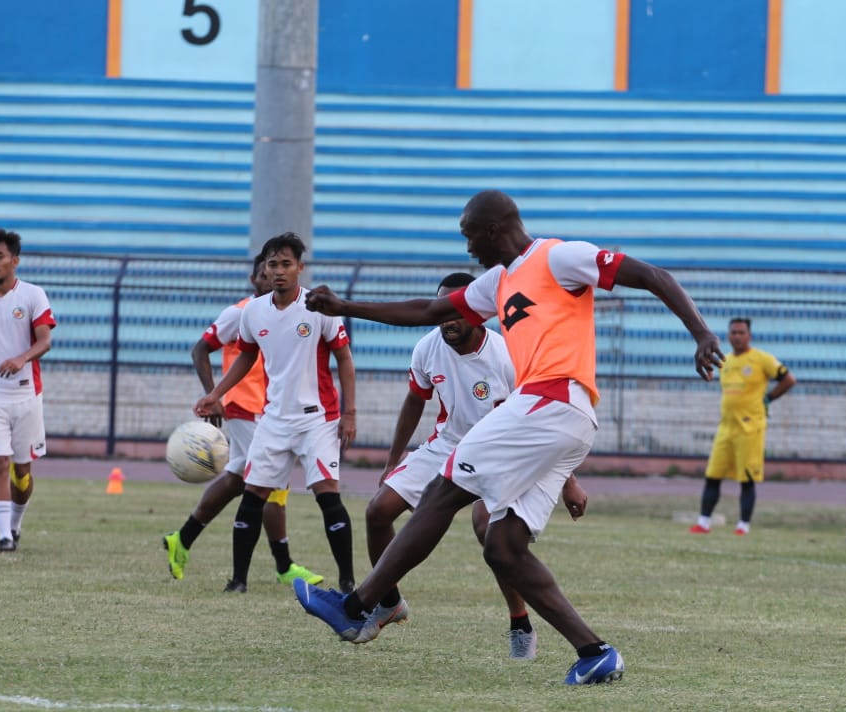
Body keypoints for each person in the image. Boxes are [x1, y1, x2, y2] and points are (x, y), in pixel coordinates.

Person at [295, 189, 723, 685]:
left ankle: (357, 606)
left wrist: (701, 331)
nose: (468, 249)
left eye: (469, 236)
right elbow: (428, 312)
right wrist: (346, 304)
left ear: (494, 229)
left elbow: (651, 275)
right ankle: (595, 653)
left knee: (444, 488)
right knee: (503, 546)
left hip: (550, 400)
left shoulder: (559, 256)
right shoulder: (498, 282)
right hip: (565, 419)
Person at [362, 271, 590, 660]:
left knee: (489, 530)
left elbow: (539, 422)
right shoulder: (427, 348)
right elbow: (415, 401)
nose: (448, 320)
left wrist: (568, 481)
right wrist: (393, 460)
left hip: (500, 450)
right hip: (447, 444)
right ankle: (389, 602)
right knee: (378, 511)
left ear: (478, 313)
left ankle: (519, 622)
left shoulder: (506, 355)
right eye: (442, 312)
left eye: (456, 312)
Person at [193, 233, 357, 593]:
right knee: (253, 494)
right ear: (264, 269)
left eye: (286, 264)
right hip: (273, 419)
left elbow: (344, 358)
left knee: (327, 493)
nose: (279, 271)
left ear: (300, 267)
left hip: (318, 418)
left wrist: (350, 413)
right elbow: (247, 356)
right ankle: (238, 581)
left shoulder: (319, 307)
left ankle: (347, 580)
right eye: (273, 264)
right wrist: (216, 393)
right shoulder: (254, 311)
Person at [162, 255, 323, 587]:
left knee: (238, 478)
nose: (274, 278)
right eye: (267, 273)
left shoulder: (283, 314)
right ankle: (283, 565)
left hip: (267, 408)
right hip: (245, 406)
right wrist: (214, 396)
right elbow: (199, 350)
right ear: (256, 279)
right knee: (271, 483)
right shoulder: (241, 312)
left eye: (280, 270)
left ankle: (183, 538)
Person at [0, 229, 56, 552]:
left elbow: (45, 340)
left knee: (22, 470)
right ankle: (3, 537)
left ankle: (15, 526)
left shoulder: (32, 296)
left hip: (27, 396)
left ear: (14, 261)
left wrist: (21, 358)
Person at [690, 317, 795, 536]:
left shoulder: (761, 359)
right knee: (713, 475)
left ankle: (743, 525)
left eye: (741, 332)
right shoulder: (724, 361)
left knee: (746, 478)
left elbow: (788, 380)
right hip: (726, 427)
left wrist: (768, 398)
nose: (737, 336)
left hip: (750, 428)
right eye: (733, 333)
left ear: (749, 335)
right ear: (728, 336)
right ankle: (703, 522)